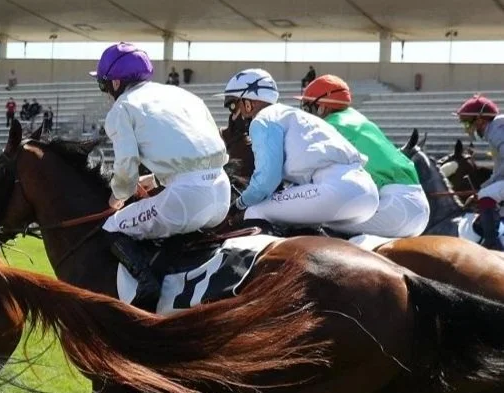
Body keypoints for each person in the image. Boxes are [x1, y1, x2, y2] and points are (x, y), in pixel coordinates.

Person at [94, 42, 231, 302]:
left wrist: (116, 197)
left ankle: (147, 287)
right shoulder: (183, 95)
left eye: (103, 85)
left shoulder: (122, 108)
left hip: (187, 199)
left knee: (111, 228)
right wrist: (157, 178)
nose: (106, 92)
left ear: (115, 83)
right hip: (222, 191)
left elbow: (126, 166)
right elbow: (199, 149)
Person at [224, 68, 379, 233]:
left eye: (233, 105)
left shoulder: (262, 119)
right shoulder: (293, 114)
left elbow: (267, 181)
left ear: (248, 102)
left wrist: (239, 204)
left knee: (254, 211)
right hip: (368, 193)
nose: (234, 115)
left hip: (336, 190)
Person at [296, 75, 429, 237]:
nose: (305, 114)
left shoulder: (329, 126)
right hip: (418, 206)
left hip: (395, 207)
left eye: (306, 108)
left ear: (322, 108)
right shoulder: (357, 119)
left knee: (304, 220)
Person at [454, 94, 504, 250]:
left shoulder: (497, 130)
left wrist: (484, 191)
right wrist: (484, 186)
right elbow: (499, 170)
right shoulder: (495, 130)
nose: (467, 128)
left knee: (486, 196)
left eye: (467, 123)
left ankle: (492, 245)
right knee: (488, 196)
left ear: (480, 120)